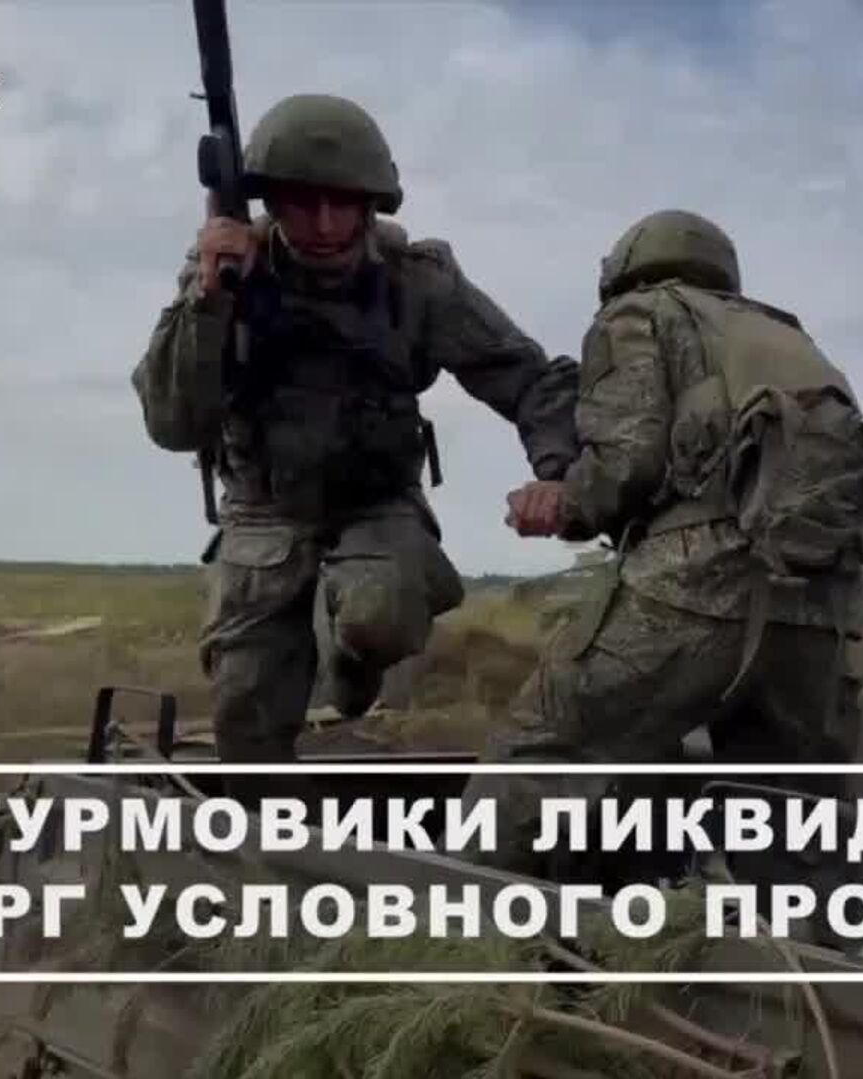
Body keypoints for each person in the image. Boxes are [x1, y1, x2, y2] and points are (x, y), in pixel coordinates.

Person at [131, 93, 577, 790]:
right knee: (245, 726)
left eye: (343, 203)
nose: (324, 224)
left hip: (378, 506)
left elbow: (528, 378)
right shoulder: (225, 276)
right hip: (262, 516)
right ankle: (281, 848)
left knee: (378, 616)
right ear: (269, 201)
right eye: (301, 203)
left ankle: (351, 660)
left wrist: (558, 472)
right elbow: (172, 424)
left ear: (373, 204)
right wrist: (208, 303)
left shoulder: (415, 282)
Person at [467, 209, 863, 909]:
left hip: (694, 589)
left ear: (627, 270)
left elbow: (627, 461)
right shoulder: (788, 337)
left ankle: (447, 932)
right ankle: (820, 964)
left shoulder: (638, 314)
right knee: (791, 821)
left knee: (541, 753)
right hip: (819, 608)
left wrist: (562, 500)